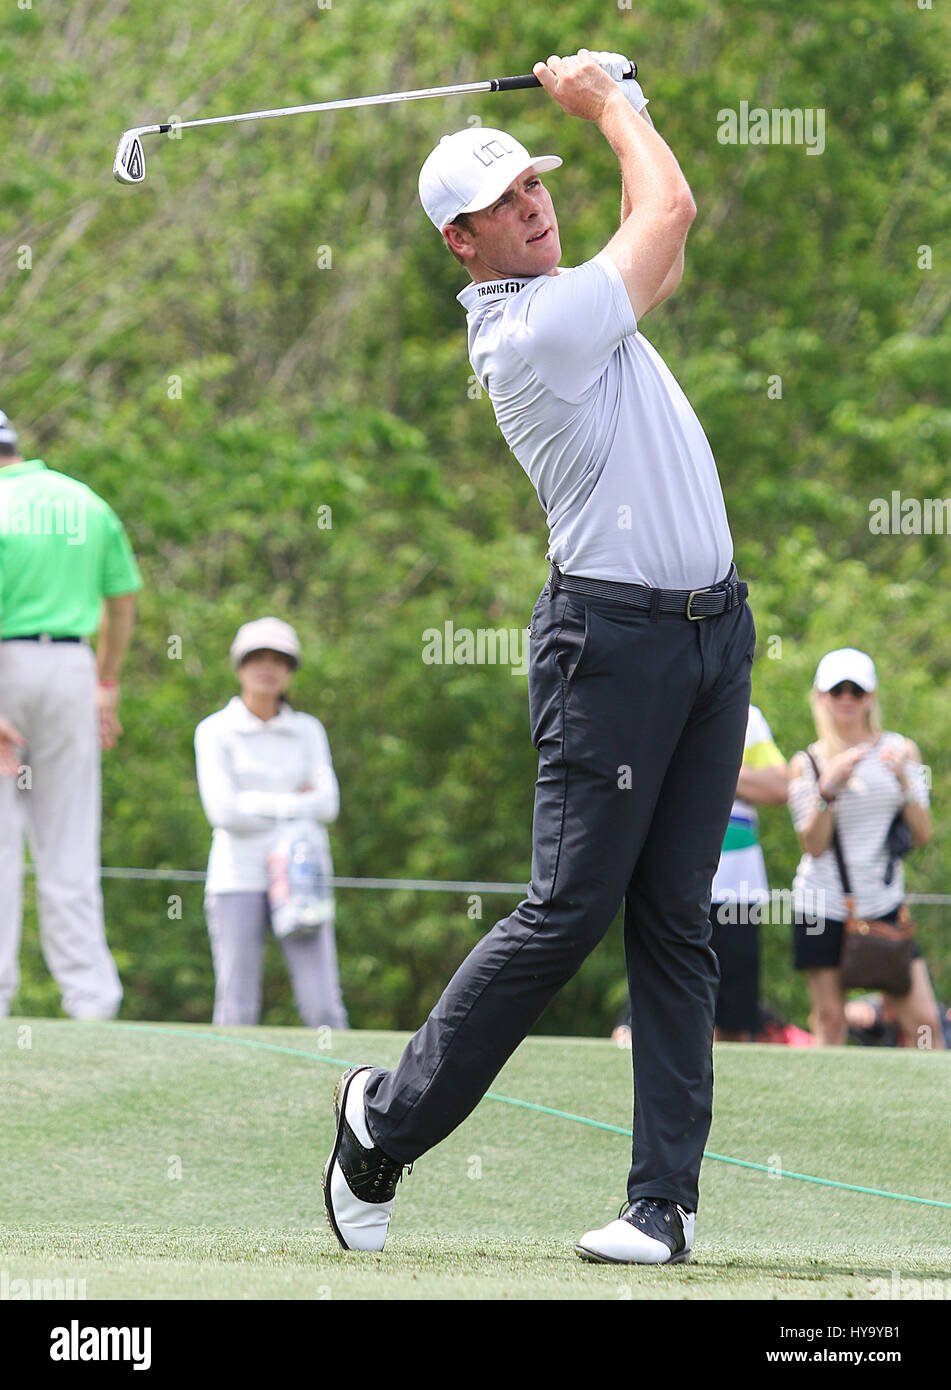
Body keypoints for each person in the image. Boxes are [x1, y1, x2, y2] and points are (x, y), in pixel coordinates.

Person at [324, 50, 756, 1265]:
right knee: (567, 911)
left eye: (537, 182)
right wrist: (611, 105)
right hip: (608, 646)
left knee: (676, 917)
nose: (534, 204)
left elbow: (652, 235)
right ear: (461, 242)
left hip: (711, 636)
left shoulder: (574, 295)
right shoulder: (532, 334)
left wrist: (635, 113)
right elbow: (667, 210)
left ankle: (658, 1208)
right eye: (507, 201)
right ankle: (381, 1125)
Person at [0, 408, 141, 1019]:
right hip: (72, 669)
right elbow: (123, 599)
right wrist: (106, 680)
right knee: (70, 839)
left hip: (7, 665)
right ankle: (91, 1000)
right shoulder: (82, 500)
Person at [194, 617, 347, 1031]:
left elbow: (328, 804)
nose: (267, 667)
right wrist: (295, 802)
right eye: (256, 658)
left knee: (323, 1006)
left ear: (290, 669)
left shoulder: (308, 730)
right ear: (239, 666)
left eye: (278, 659)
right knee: (236, 1005)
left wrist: (253, 801)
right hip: (236, 879)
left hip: (303, 879)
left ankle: (351, 1091)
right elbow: (223, 813)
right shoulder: (214, 731)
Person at [786, 647, 942, 1048]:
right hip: (821, 906)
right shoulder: (807, 762)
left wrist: (907, 783)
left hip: (884, 905)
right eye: (837, 690)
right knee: (831, 1021)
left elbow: (924, 833)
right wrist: (828, 789)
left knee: (925, 1023)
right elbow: (813, 845)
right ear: (820, 696)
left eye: (857, 690)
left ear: (871, 697)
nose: (846, 699)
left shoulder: (903, 750)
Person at [612, 703, 787, 1045]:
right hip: (672, 882)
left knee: (734, 1021)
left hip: (738, 891)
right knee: (644, 1014)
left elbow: (779, 787)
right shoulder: (656, 704)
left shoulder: (747, 714)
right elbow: (629, 777)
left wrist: (709, 765)